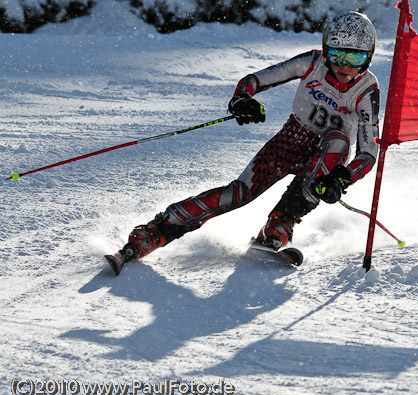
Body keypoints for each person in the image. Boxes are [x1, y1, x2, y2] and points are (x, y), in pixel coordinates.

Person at [107, 11, 380, 270]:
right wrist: (242, 99)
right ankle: (158, 229)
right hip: (292, 139)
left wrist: (342, 178)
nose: (344, 66)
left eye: (354, 58)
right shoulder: (312, 63)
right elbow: (255, 80)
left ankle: (280, 224)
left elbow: (368, 152)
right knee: (237, 195)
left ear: (368, 58)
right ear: (325, 50)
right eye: (337, 54)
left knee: (337, 141)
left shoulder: (366, 90)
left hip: (328, 155)